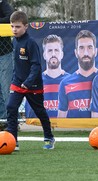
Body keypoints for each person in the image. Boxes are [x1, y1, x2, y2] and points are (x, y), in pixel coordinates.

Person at [7, 11, 55, 150]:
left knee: (39, 111)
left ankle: (49, 137)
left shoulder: (31, 43)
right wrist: (17, 79)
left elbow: (36, 65)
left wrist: (28, 82)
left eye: (17, 27)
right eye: (12, 27)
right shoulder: (14, 41)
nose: (14, 30)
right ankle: (12, 140)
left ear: (26, 26)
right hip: (17, 82)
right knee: (11, 107)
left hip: (32, 84)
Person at [25, 34, 70, 118]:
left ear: (62, 54)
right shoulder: (35, 82)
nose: (53, 54)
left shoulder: (71, 81)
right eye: (49, 50)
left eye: (56, 50)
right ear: (44, 55)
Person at [58, 30, 98, 118]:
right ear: (75, 52)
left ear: (96, 51)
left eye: (89, 47)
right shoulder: (65, 83)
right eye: (81, 48)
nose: (85, 53)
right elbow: (61, 120)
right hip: (74, 131)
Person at [0, 0, 14, 130]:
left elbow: (11, 17)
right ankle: (1, 120)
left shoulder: (2, 3)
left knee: (6, 88)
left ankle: (10, 121)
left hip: (4, 53)